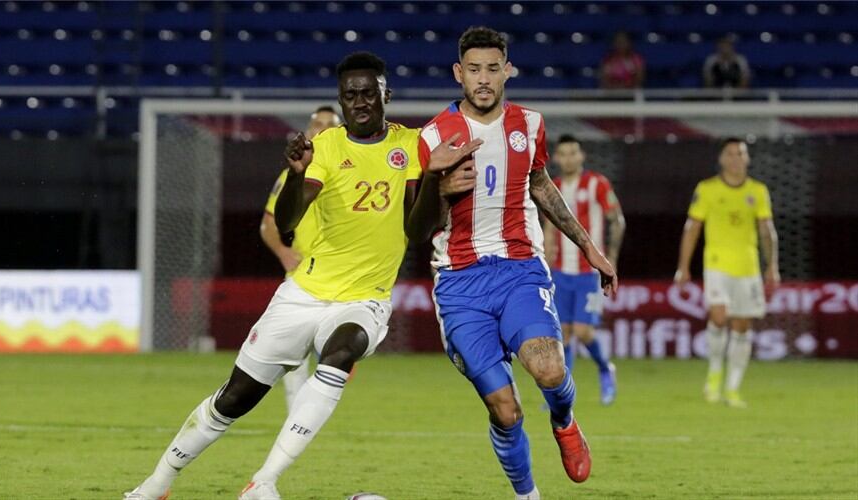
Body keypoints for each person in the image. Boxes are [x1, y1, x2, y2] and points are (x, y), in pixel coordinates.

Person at [124, 52, 466, 500]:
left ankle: (262, 482)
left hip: (364, 299)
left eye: (367, 92)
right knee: (235, 397)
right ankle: (157, 483)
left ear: (385, 93)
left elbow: (418, 231)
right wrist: (295, 174)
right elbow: (287, 220)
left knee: (342, 352)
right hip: (304, 293)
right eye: (350, 95)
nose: (359, 101)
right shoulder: (324, 148)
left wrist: (435, 178)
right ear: (340, 100)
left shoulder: (416, 146)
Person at [407, 27, 618, 500]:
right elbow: (417, 231)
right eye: (474, 70)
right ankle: (528, 495)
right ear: (459, 73)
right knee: (506, 410)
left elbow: (540, 186)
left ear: (508, 71)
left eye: (493, 69)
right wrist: (436, 184)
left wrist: (588, 248)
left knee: (548, 369)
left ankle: (564, 420)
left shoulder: (531, 125)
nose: (484, 79)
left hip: (520, 267)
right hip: (459, 282)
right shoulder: (433, 136)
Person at [674, 137, 779, 408]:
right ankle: (714, 374)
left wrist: (772, 266)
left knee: (742, 326)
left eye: (740, 153)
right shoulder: (707, 189)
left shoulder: (758, 191)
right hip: (717, 263)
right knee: (719, 316)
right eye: (730, 153)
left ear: (747, 158)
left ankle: (732, 388)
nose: (736, 158)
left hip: (748, 267)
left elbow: (767, 231)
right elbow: (692, 228)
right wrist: (683, 267)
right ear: (721, 159)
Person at [259, 105, 340, 410]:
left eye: (327, 125)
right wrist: (282, 251)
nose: (319, 130)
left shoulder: (350, 169)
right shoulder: (291, 175)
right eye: (315, 124)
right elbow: (268, 224)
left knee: (338, 352)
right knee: (293, 355)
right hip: (302, 276)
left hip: (342, 276)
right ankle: (297, 417)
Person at [542, 135, 625, 406]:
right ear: (556, 158)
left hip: (589, 272)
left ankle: (605, 368)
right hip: (560, 272)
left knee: (583, 331)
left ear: (581, 156)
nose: (568, 158)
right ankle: (561, 393)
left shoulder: (597, 184)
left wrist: (609, 256)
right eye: (563, 153)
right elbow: (549, 228)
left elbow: (616, 220)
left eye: (573, 153)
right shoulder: (551, 186)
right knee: (562, 334)